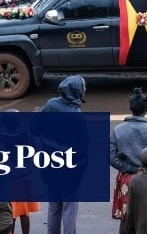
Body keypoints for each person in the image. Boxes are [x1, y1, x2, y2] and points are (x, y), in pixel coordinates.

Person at [111, 88, 147, 231]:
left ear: (131, 108)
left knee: (126, 217)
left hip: (127, 180)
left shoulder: (118, 130)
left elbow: (110, 157)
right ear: (145, 109)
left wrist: (131, 169)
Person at [40, 76, 86, 234]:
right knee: (69, 210)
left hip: (50, 168)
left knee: (54, 207)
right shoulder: (77, 117)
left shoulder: (50, 105)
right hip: (69, 173)